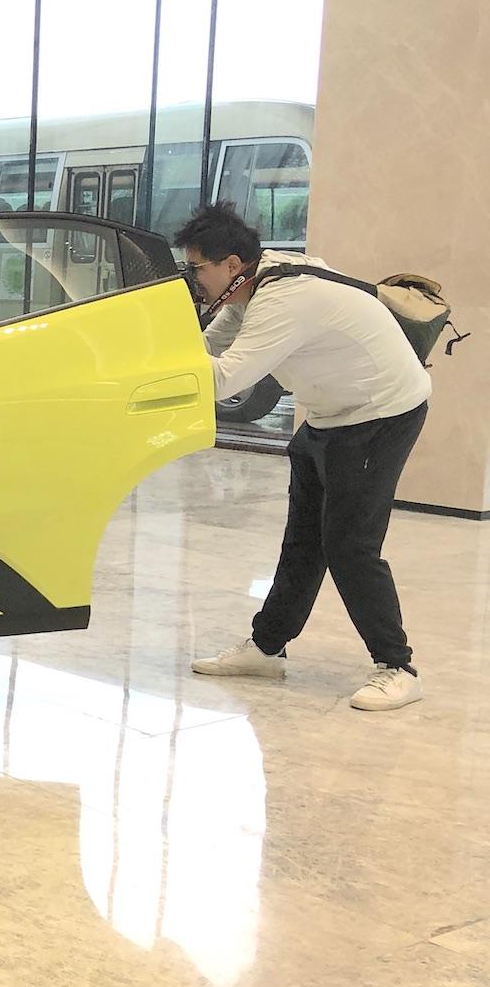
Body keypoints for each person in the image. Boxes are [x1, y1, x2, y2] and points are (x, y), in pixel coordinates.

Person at [180, 202, 432, 711]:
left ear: (231, 265)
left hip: (381, 414)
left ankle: (398, 667)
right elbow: (205, 347)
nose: (192, 279)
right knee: (303, 541)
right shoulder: (254, 284)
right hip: (329, 415)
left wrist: (147, 361)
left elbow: (224, 379)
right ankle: (267, 648)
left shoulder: (284, 299)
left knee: (349, 545)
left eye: (196, 268)